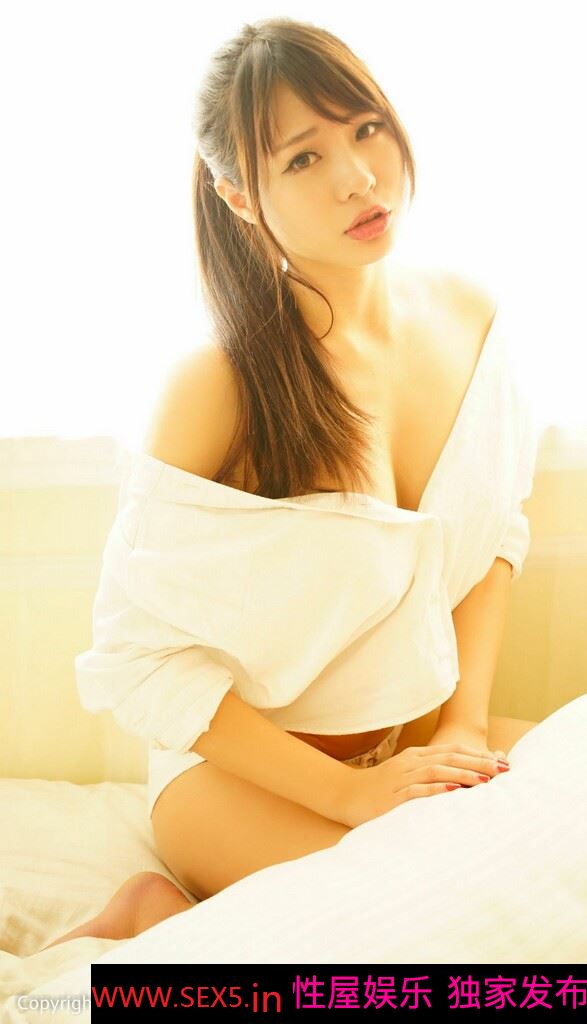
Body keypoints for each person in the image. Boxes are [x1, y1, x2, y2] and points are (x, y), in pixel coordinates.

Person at [41, 16, 539, 951]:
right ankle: (147, 921)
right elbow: (139, 661)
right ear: (239, 194)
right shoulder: (220, 385)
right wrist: (349, 795)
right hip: (243, 781)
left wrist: (463, 727)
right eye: (303, 159)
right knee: (432, 941)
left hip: (411, 745)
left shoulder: (469, 317)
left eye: (365, 129)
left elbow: (494, 532)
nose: (357, 177)